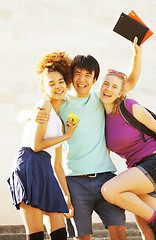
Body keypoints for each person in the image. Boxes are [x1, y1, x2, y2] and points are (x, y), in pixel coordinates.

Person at [17, 37, 141, 240]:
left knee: (119, 230)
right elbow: (27, 113)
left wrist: (137, 54)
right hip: (74, 181)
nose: (82, 79)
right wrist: (29, 114)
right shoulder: (61, 101)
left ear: (94, 80)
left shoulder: (101, 98)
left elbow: (129, 82)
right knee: (82, 236)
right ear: (70, 78)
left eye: (88, 75)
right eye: (77, 74)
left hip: (105, 178)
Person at [7, 51, 78, 240]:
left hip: (45, 168)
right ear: (44, 88)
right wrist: (66, 136)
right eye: (51, 83)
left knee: (60, 232)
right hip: (29, 164)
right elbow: (37, 145)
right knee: (36, 235)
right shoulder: (44, 104)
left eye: (61, 81)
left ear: (67, 83)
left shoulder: (61, 121)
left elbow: (57, 165)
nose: (58, 86)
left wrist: (66, 194)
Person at [99, 68, 156, 240]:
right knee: (149, 233)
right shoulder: (102, 117)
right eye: (106, 84)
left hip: (155, 163)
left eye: (114, 87)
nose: (108, 89)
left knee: (109, 190)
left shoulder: (129, 106)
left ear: (120, 93)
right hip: (137, 170)